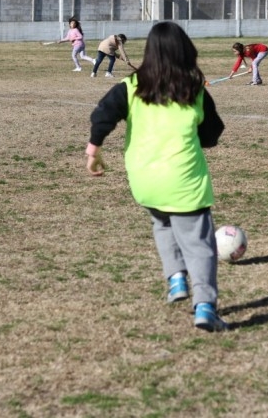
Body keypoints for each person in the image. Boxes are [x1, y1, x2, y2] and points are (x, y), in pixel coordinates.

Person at [85, 21, 228, 332]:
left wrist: (93, 148)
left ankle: (176, 278)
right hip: (184, 182)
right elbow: (213, 132)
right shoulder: (194, 90)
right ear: (185, 50)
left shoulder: (131, 85)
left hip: (145, 181)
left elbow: (103, 114)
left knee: (162, 222)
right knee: (200, 244)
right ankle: (205, 306)